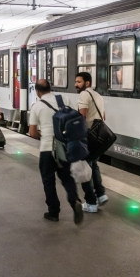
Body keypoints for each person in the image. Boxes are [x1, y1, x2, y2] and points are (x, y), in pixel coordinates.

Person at [28, 79, 83, 224]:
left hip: (47, 148)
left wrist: (44, 135)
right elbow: (75, 118)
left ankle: (53, 212)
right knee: (66, 177)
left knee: (48, 180)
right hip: (64, 147)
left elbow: (32, 132)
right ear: (50, 88)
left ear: (37, 92)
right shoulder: (63, 99)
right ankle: (75, 200)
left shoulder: (37, 106)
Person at [75, 72, 109, 213]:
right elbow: (104, 116)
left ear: (87, 83)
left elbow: (82, 117)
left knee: (84, 170)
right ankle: (101, 195)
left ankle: (91, 203)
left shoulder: (84, 95)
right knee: (93, 165)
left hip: (86, 138)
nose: (76, 85)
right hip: (98, 138)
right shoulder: (98, 96)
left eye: (78, 82)